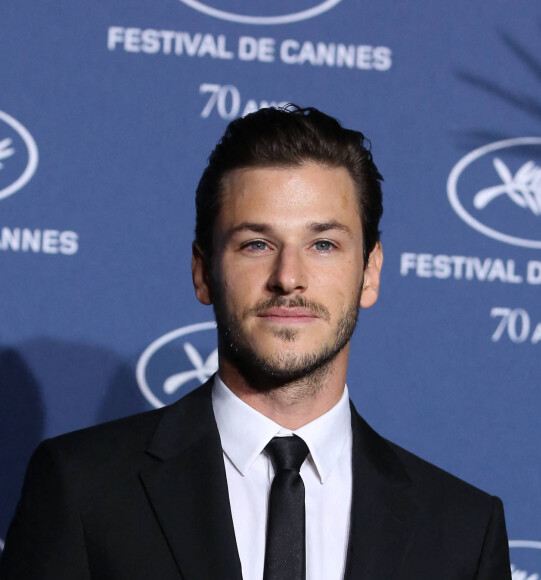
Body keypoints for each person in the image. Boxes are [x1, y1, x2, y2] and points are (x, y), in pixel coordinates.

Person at [0, 105, 511, 579]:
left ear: (370, 272)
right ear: (203, 272)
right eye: (256, 244)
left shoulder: (463, 530)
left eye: (324, 244)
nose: (288, 277)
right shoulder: (84, 488)